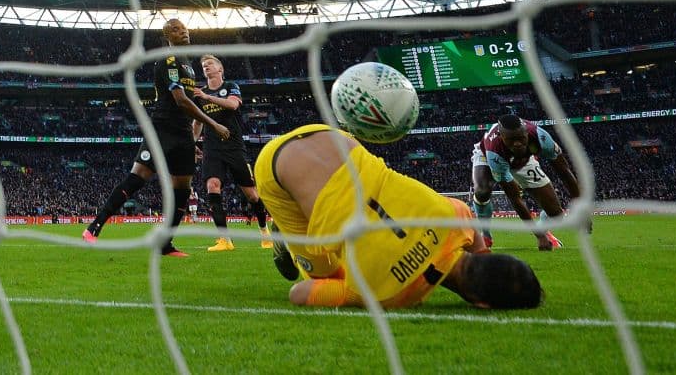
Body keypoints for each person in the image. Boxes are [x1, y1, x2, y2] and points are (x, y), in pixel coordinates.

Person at [254, 123, 543, 309]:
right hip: (273, 168)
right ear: (482, 304)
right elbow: (297, 294)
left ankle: (291, 232)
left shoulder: (459, 216)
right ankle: (291, 238)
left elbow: (475, 243)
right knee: (326, 274)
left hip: (330, 137)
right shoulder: (385, 295)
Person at [82, 19, 230, 257]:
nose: (183, 32)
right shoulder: (168, 60)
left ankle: (165, 244)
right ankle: (94, 227)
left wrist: (192, 141)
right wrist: (213, 124)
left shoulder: (189, 65)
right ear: (167, 36)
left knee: (183, 188)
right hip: (162, 130)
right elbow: (181, 100)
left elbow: (189, 104)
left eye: (184, 28)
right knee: (138, 177)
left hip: (182, 133)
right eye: (176, 29)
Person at [192, 54, 272, 251]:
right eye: (204, 66)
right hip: (212, 147)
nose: (206, 67)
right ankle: (224, 240)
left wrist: (208, 97)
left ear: (220, 69)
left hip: (234, 146)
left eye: (210, 64)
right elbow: (197, 122)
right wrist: (192, 143)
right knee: (212, 185)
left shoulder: (230, 86)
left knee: (251, 195)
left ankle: (264, 231)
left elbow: (233, 104)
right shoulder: (200, 94)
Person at [471, 115, 585, 251]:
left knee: (556, 215)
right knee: (482, 191)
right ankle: (485, 234)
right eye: (511, 140)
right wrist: (539, 237)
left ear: (526, 132)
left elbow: (564, 171)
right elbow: (515, 198)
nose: (517, 143)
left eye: (520, 138)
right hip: (487, 156)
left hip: (523, 161)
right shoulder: (495, 151)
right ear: (502, 137)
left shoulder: (540, 137)